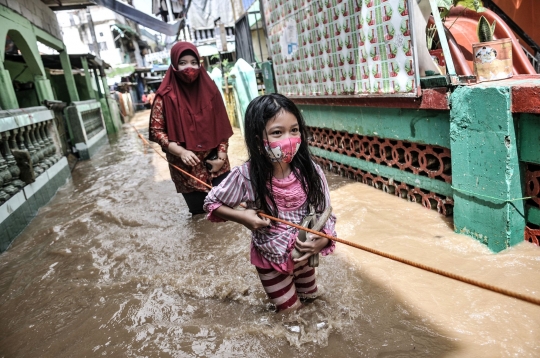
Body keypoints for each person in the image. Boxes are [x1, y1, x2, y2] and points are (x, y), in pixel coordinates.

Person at [203, 94, 336, 312]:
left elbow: (326, 212)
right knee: (290, 312)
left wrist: (323, 240)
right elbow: (211, 203)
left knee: (312, 301)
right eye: (277, 132)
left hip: (305, 256)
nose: (289, 138)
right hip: (270, 260)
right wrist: (243, 218)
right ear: (257, 140)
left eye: (294, 130)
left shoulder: (311, 170)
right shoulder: (245, 175)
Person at [149, 42, 233, 215]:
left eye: (194, 62)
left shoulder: (211, 91)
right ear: (174, 65)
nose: (189, 67)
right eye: (183, 63)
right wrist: (181, 152)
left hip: (217, 164)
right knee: (202, 217)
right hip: (186, 170)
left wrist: (222, 157)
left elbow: (222, 126)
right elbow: (156, 131)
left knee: (230, 213)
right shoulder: (164, 97)